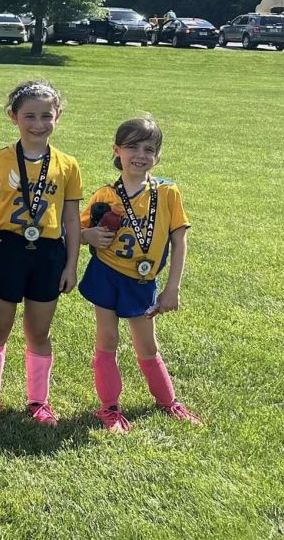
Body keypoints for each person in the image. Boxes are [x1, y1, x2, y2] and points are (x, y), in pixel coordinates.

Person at [80, 116, 202, 431]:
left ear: (157, 156)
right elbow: (76, 233)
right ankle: (109, 409)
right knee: (107, 338)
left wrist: (172, 288)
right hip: (106, 273)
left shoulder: (168, 193)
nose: (140, 155)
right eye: (132, 147)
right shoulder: (105, 196)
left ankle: (168, 401)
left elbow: (179, 240)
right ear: (116, 150)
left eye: (149, 149)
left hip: (143, 280)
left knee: (147, 345)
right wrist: (88, 235)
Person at [0, 80, 81, 426]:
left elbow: (71, 219)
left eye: (46, 116)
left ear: (57, 116)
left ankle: (38, 401)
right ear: (13, 117)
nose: (38, 123)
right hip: (7, 249)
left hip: (48, 253)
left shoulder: (67, 164)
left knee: (39, 332)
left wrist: (71, 265)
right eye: (29, 116)